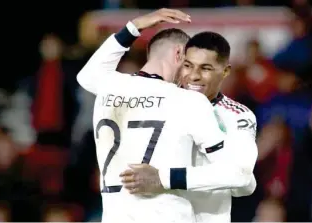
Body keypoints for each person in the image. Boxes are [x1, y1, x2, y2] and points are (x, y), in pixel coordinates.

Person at [77, 9, 257, 223]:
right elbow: (238, 176)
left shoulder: (112, 88)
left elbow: (243, 180)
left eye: (205, 68)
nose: (192, 75)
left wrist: (132, 28)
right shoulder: (184, 100)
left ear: (225, 71)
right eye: (188, 65)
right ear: (179, 55)